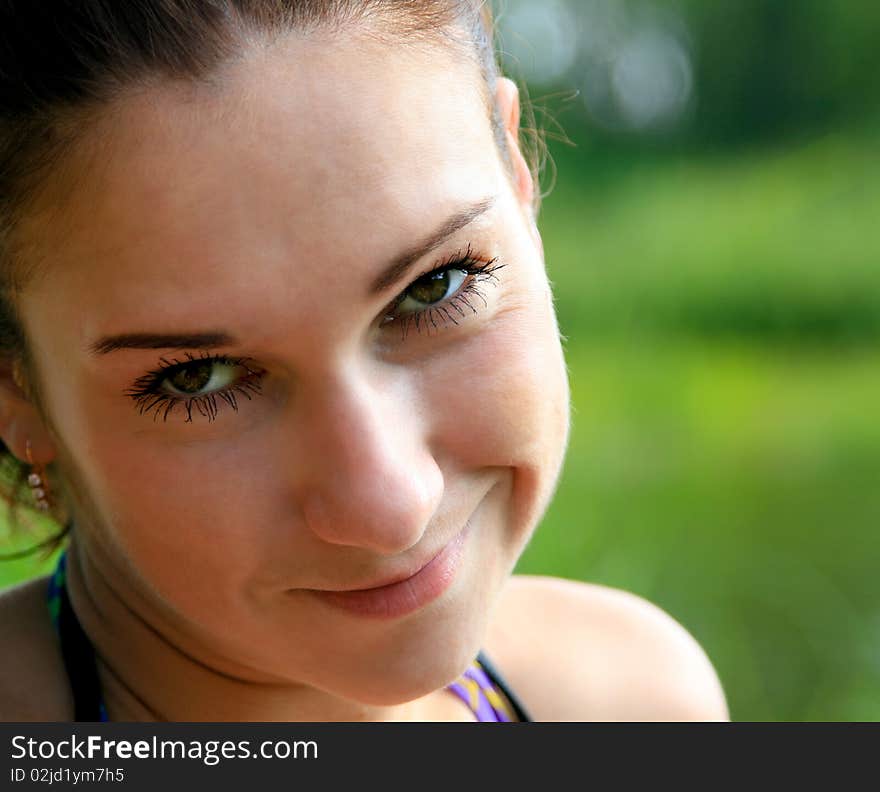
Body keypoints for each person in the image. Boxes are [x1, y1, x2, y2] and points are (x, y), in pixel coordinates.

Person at [0, 0, 728, 722]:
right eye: (199, 377)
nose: (391, 507)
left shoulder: (631, 702)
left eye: (432, 289)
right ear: (14, 386)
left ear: (518, 180)